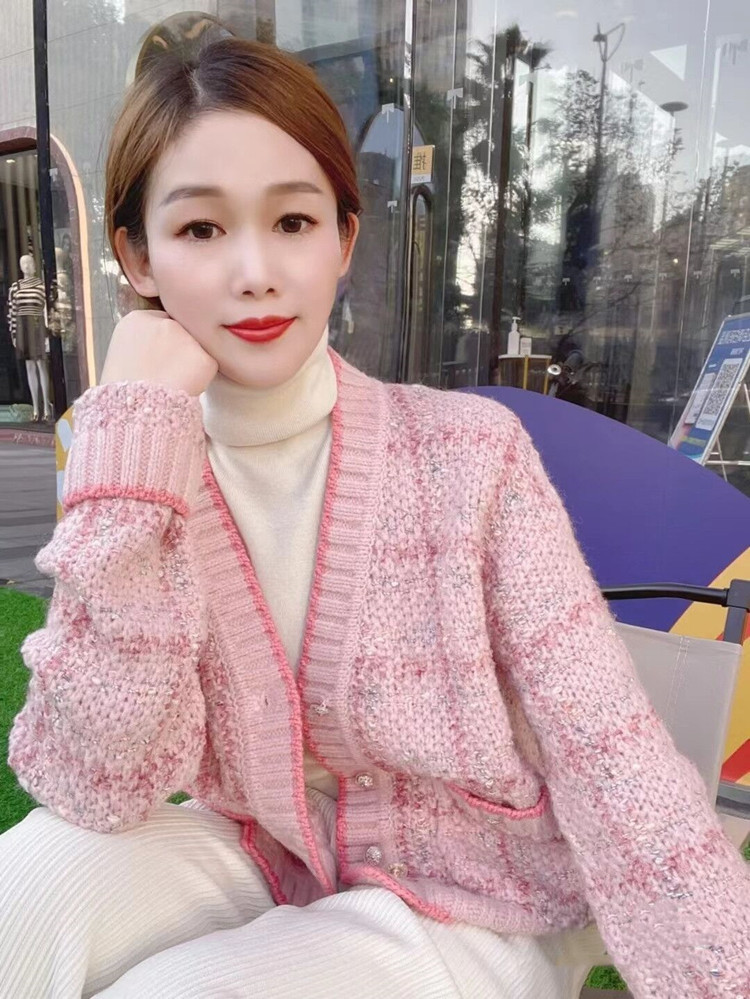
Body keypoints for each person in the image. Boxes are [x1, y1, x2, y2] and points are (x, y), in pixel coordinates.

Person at [1, 37, 749, 999]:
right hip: (273, 847)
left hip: (476, 893)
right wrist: (131, 454)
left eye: (294, 220)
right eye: (200, 229)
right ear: (137, 256)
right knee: (23, 897)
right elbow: (97, 783)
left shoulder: (470, 455)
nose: (256, 271)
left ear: (344, 242)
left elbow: (608, 744)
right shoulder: (137, 465)